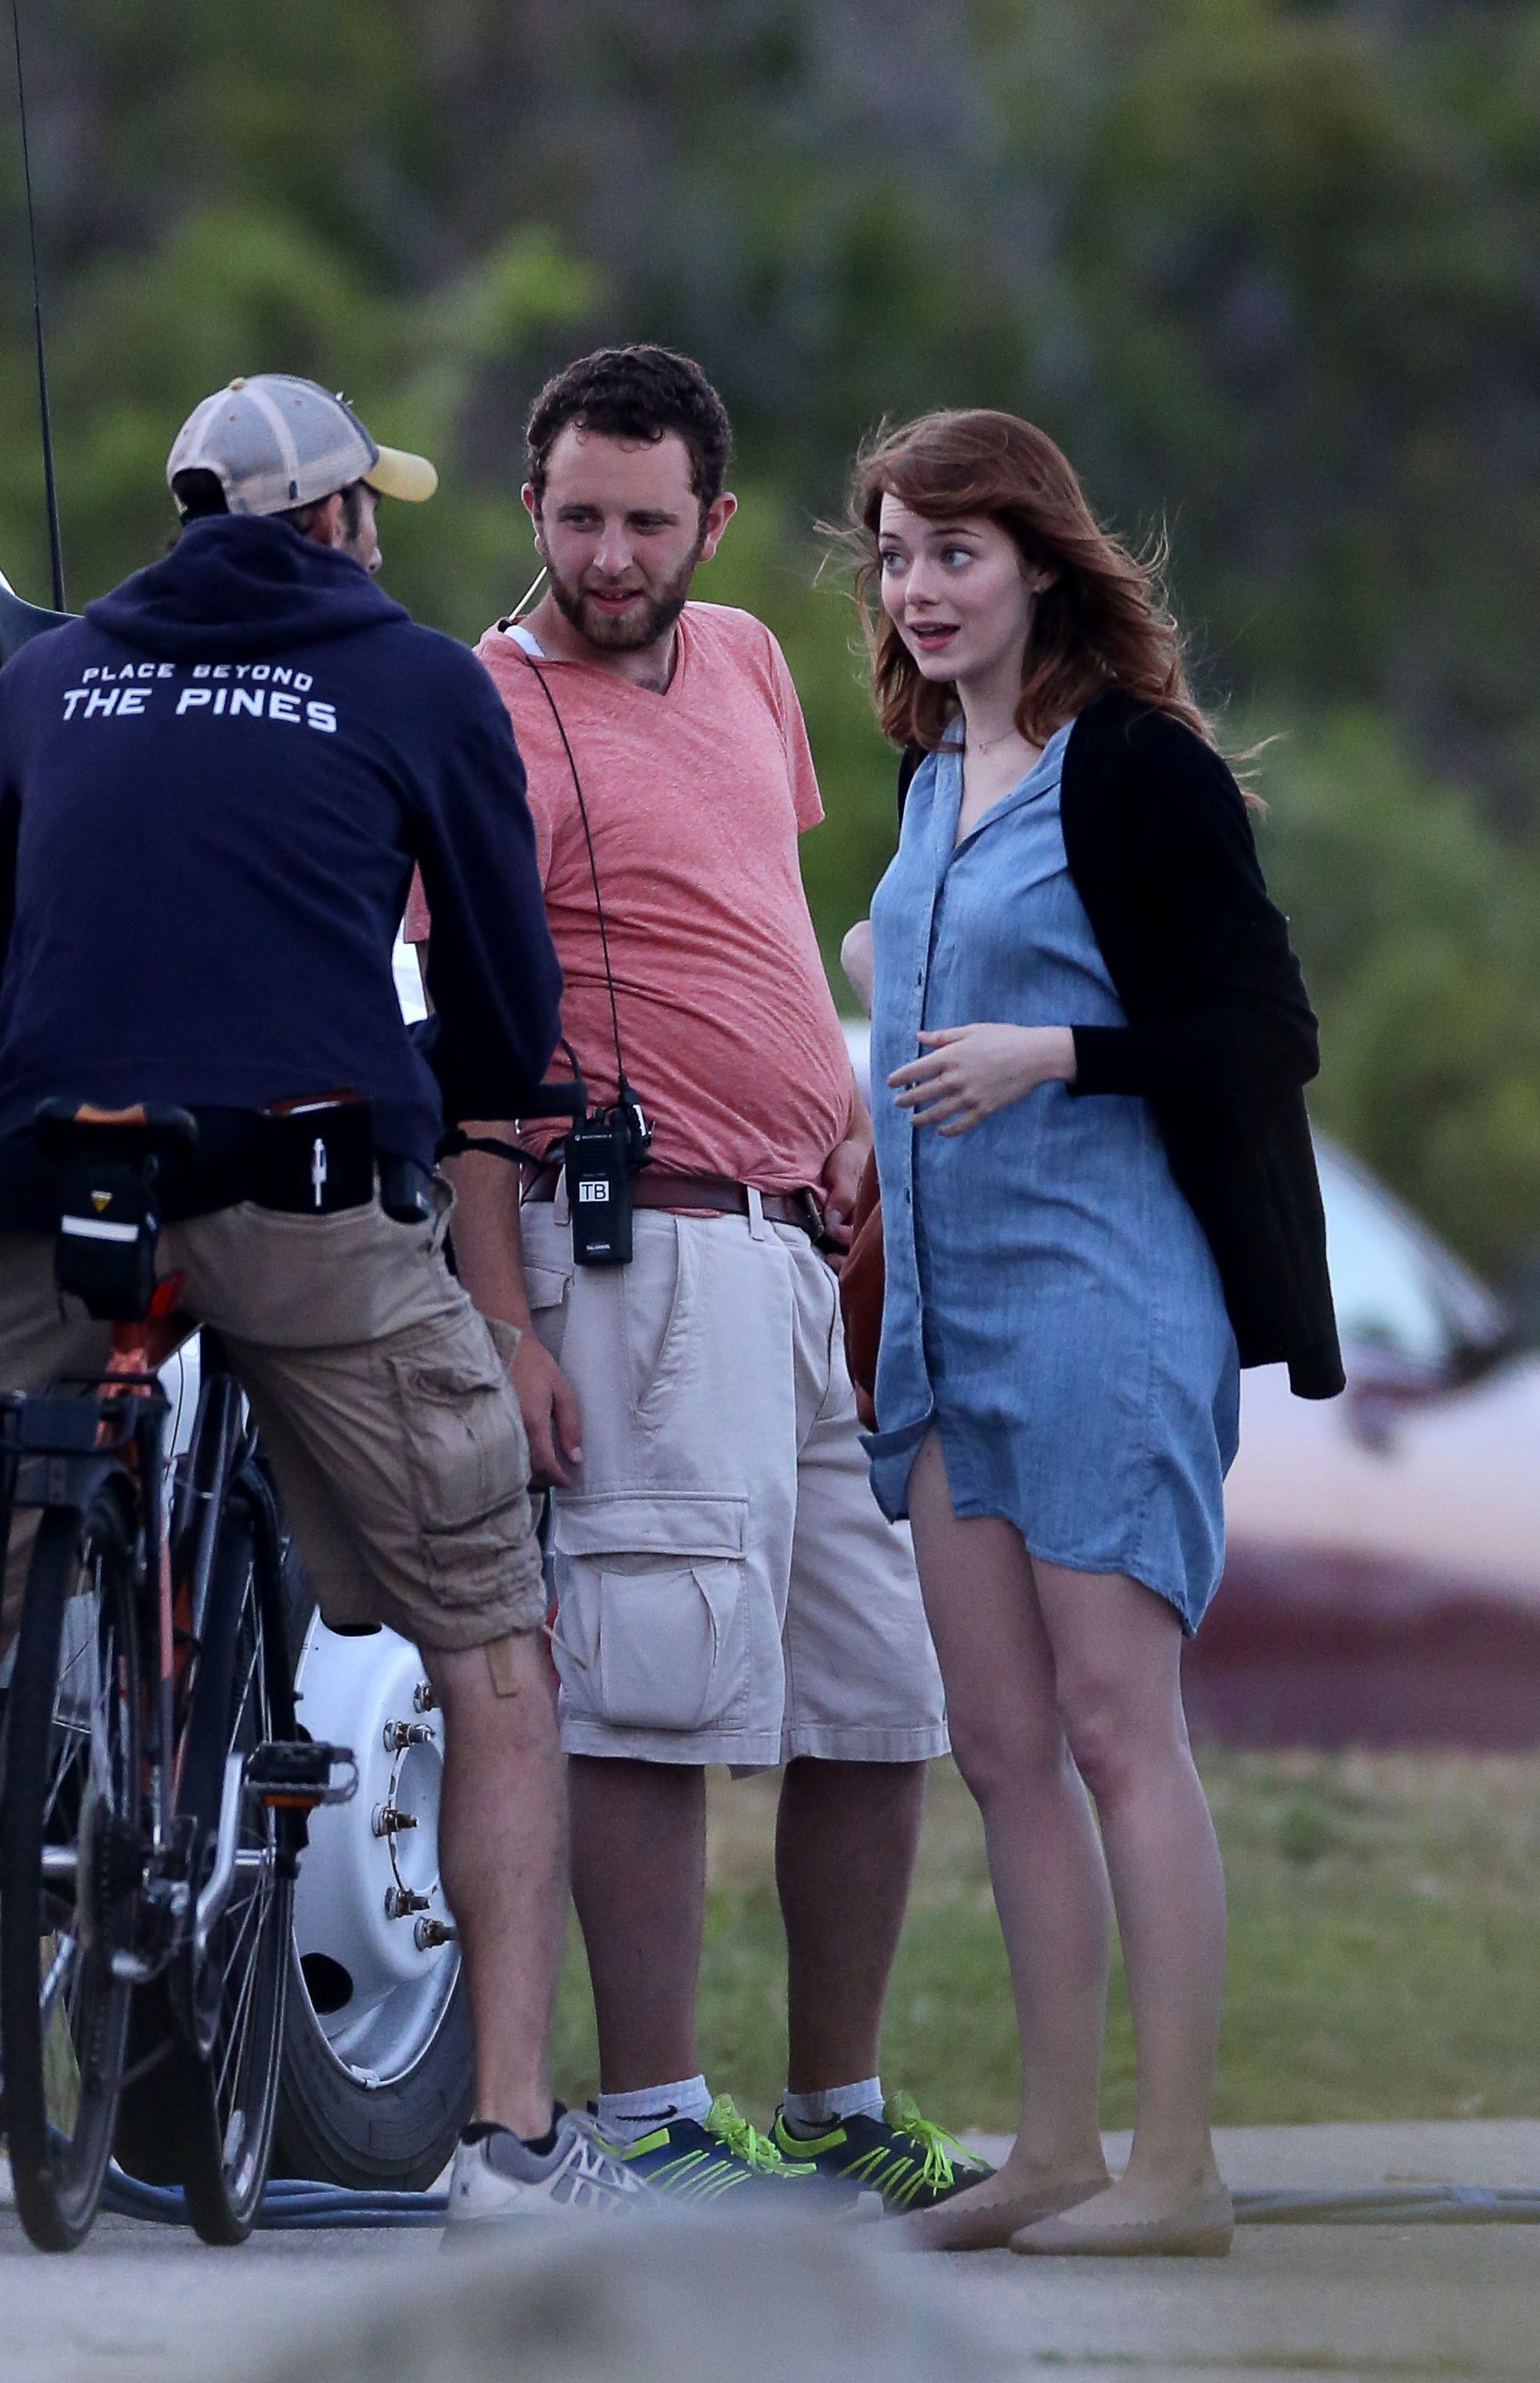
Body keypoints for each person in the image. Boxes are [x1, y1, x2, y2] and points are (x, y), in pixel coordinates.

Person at [0, 373, 645, 2237]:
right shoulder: (423, 680)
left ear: (192, 516)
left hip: (59, 1185)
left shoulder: (47, 684)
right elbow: (506, 1016)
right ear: (342, 520)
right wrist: (485, 1079)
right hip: (306, 1189)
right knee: (493, 1641)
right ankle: (511, 2137)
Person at [416, 344, 988, 2215]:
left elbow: (749, 920)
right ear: (529, 509)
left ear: (710, 524)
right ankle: (651, 2106)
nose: (605, 555)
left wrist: (840, 1119)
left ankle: (835, 2099)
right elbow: (472, 1043)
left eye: (643, 522)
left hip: (803, 1245)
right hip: (632, 1245)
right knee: (649, 1676)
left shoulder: (743, 658)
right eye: (574, 516)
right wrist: (502, 1319)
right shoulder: (485, 711)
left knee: (878, 1683)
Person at [850, 409, 1341, 2258]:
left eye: (953, 553)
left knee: (1119, 1726)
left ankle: (1176, 2169)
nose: (917, 590)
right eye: (895, 556)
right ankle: (1052, 2152)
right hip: (939, 1327)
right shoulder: (917, 785)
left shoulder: (1135, 768)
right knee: (994, 1742)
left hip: (1102, 1304)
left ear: (1038, 559)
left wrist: (1054, 1049)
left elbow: (1262, 1029)